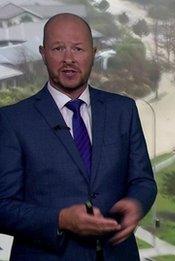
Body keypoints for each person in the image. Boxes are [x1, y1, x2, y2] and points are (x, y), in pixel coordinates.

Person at [0, 13, 157, 260]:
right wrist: (61, 220)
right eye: (58, 48)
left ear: (93, 53)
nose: (69, 59)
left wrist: (137, 204)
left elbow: (143, 181)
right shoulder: (12, 121)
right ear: (43, 53)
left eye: (78, 48)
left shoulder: (123, 110)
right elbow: (3, 206)